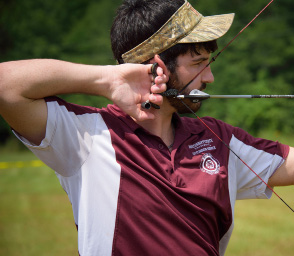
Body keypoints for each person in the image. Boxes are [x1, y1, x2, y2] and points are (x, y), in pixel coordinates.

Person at [0, 0, 293, 255]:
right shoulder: (85, 135)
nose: (210, 78)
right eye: (199, 63)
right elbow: (5, 85)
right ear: (157, 67)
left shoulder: (218, 139)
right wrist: (107, 80)